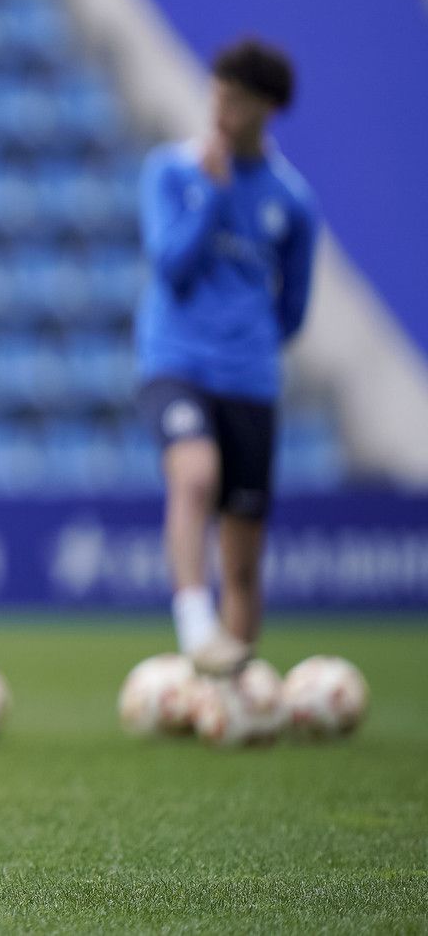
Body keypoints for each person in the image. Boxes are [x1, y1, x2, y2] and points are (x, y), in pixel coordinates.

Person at [137, 38, 318, 677]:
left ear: (268, 108)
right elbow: (170, 267)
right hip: (176, 361)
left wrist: (254, 342)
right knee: (193, 477)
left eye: (237, 101)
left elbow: (293, 307)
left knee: (243, 553)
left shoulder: (291, 200)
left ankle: (234, 686)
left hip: (249, 376)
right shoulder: (172, 172)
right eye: (217, 95)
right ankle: (194, 625)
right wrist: (211, 196)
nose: (222, 111)